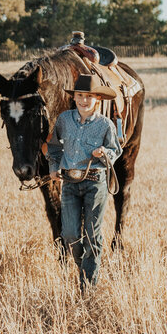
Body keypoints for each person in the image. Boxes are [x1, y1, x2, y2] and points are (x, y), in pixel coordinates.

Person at [46, 72, 126, 288]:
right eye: (80, 95)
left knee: (93, 234)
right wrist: (54, 167)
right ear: (74, 98)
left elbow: (115, 149)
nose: (84, 100)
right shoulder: (64, 120)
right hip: (70, 183)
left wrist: (105, 153)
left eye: (89, 96)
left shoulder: (105, 124)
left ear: (97, 99)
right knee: (70, 233)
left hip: (95, 182)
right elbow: (53, 147)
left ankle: (88, 285)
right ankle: (86, 266)